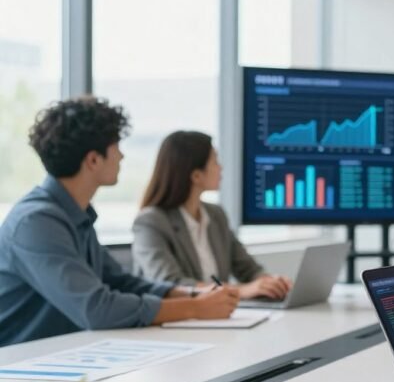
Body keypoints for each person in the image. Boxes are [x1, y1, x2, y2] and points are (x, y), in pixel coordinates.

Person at [0, 96, 240, 347]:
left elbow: (122, 282)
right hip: (19, 370)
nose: (122, 156)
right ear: (93, 160)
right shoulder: (36, 223)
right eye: (116, 147)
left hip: (60, 358)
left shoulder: (74, 215)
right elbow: (97, 308)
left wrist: (194, 294)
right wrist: (194, 308)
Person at [132, 131, 293, 300]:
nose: (221, 168)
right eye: (215, 161)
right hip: (174, 318)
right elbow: (170, 283)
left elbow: (248, 269)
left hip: (215, 316)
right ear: (196, 176)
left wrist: (269, 283)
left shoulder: (216, 215)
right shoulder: (150, 222)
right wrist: (240, 290)